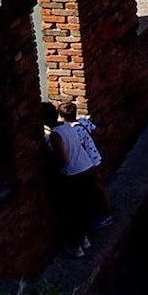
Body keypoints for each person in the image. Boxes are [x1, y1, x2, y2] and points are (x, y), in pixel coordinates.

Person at [43, 101, 104, 235]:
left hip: (74, 173)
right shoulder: (68, 126)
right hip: (87, 166)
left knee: (74, 209)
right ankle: (85, 238)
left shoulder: (55, 134)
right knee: (84, 204)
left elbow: (63, 158)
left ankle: (77, 243)